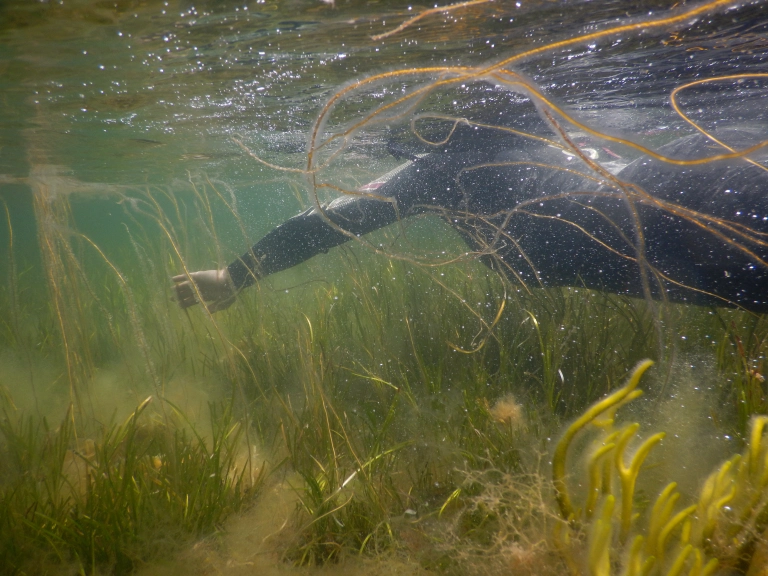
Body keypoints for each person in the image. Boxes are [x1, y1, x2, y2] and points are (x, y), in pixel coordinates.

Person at [173, 117, 768, 315]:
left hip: (673, 224)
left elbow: (332, 220)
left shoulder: (439, 168)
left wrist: (235, 276)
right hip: (688, 194)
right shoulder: (555, 138)